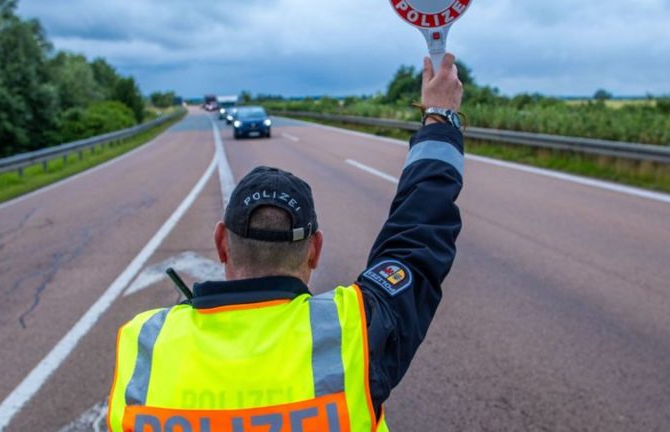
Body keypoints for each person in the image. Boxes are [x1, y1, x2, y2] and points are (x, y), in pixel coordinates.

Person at [107, 53, 464, 432]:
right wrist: (441, 117)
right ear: (315, 250)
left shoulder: (143, 343)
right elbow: (418, 235)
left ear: (222, 243)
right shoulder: (351, 331)